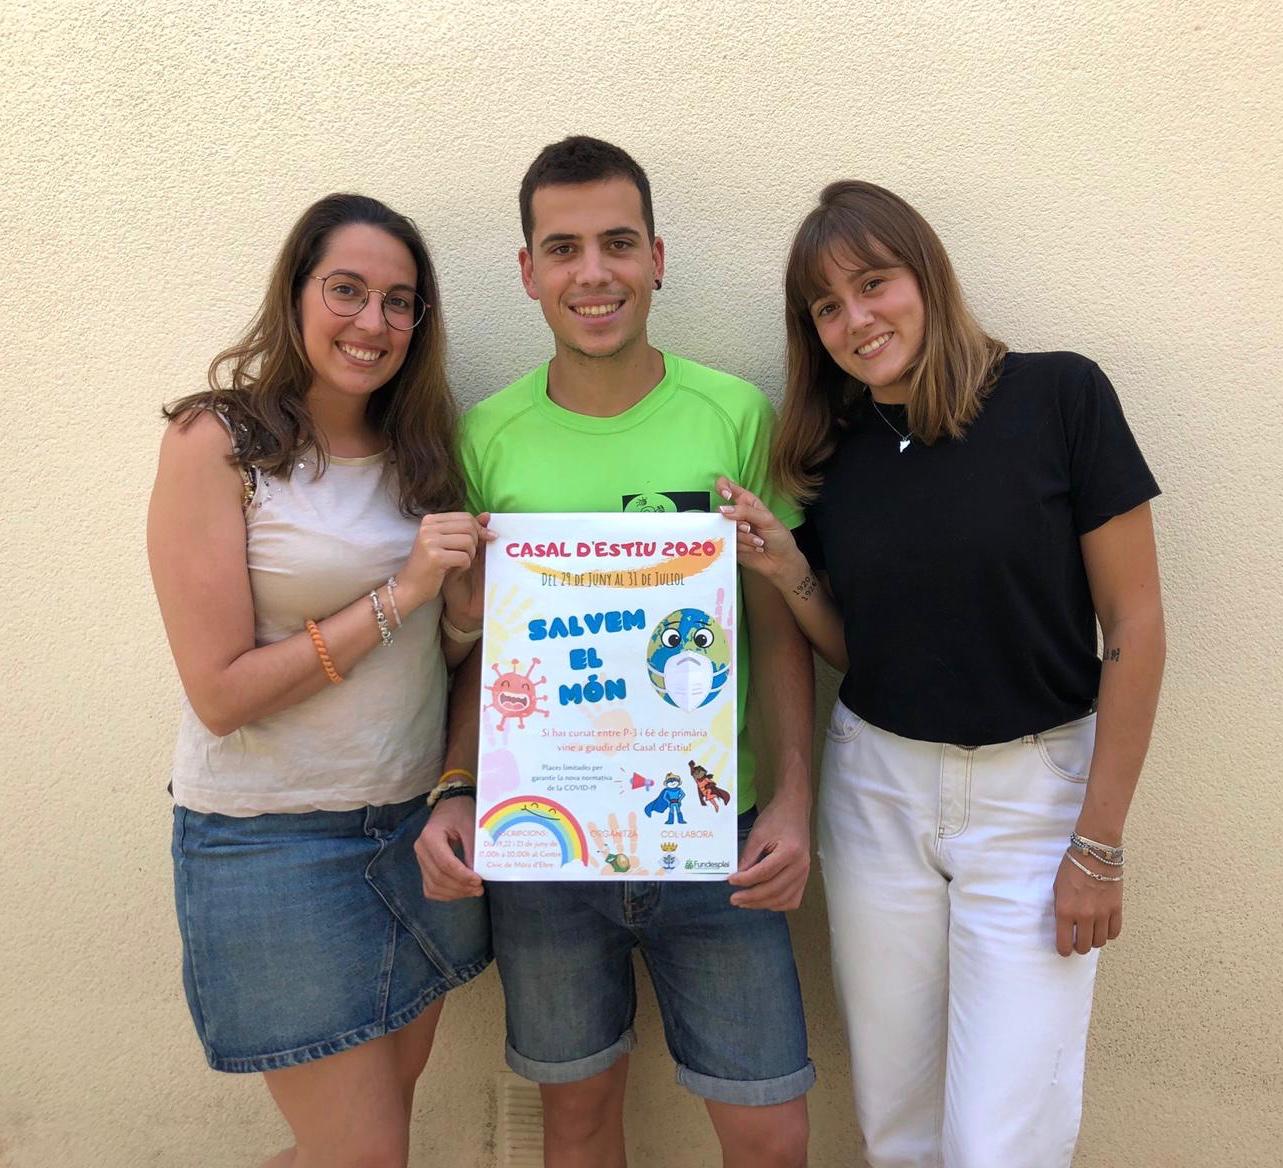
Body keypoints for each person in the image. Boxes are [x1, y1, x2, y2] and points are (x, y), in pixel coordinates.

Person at [719, 180, 1165, 1168]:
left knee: (1002, 1142)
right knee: (896, 1127)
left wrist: (1098, 844)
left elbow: (1134, 626)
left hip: (1034, 799)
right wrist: (788, 570)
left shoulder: (1059, 397)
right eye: (825, 306)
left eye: (872, 284)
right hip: (876, 789)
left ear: (925, 276)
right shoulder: (831, 451)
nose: (854, 320)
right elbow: (863, 648)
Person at [415, 137, 815, 1168]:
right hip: (543, 846)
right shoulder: (486, 436)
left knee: (770, 1135)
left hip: (715, 836)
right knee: (578, 1122)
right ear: (527, 272)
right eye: (563, 248)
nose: (592, 273)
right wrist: (456, 787)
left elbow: (771, 623)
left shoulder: (734, 414)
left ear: (656, 258)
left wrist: (793, 804)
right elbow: (479, 650)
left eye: (617, 243)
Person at [148, 193, 492, 1168]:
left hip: (412, 831)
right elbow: (220, 693)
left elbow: (438, 654)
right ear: (295, 293)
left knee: (362, 1145)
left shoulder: (424, 450)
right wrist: (400, 592)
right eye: (346, 290)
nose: (371, 322)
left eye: (398, 301)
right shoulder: (216, 442)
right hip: (274, 842)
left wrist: (461, 608)